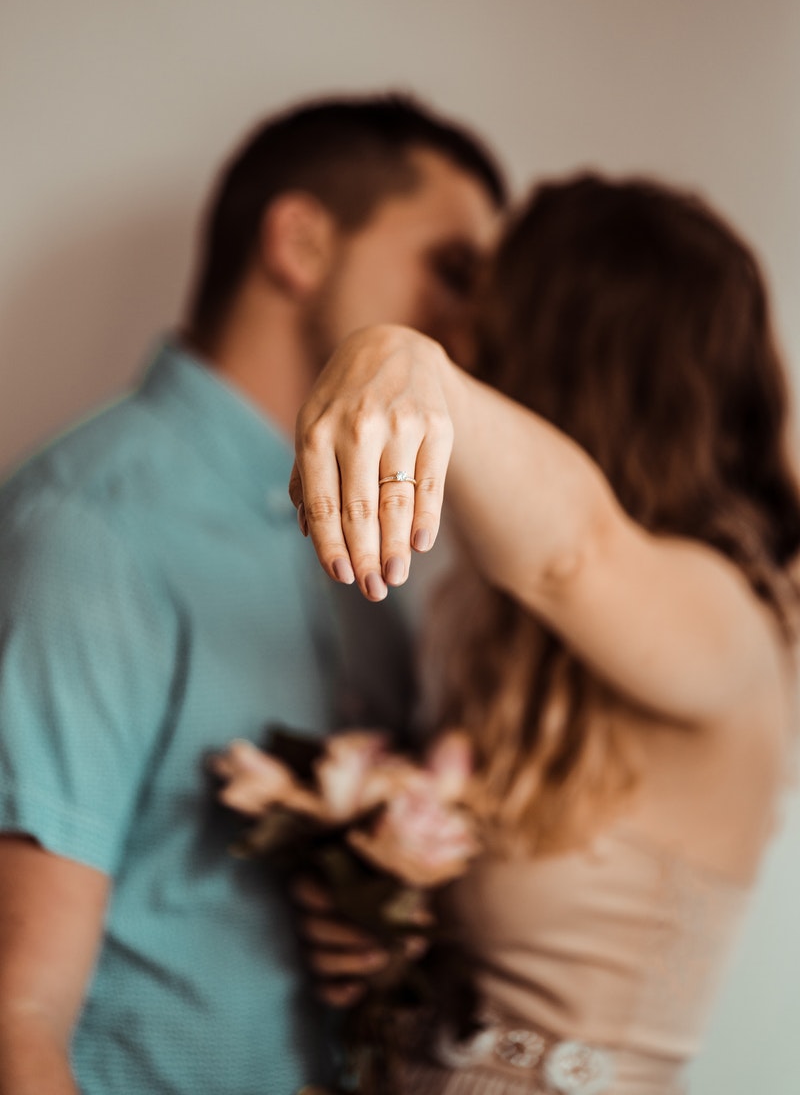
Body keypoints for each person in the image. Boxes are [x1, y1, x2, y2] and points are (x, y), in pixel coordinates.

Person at [0, 94, 506, 1095]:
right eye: (451, 269)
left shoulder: (366, 541)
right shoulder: (93, 526)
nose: (473, 321)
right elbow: (20, 1016)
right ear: (301, 242)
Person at [291, 174, 800, 1094]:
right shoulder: (513, 639)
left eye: (485, 321)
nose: (463, 335)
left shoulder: (726, 618)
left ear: (557, 363)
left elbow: (574, 553)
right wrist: (390, 927)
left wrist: (411, 366)